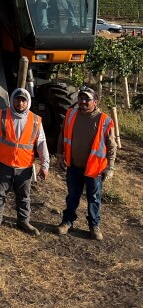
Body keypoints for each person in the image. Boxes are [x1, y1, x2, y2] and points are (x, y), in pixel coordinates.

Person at [55, 87, 117, 240]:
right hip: (74, 165)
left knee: (94, 198)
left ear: (95, 102)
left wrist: (110, 166)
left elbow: (111, 145)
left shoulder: (104, 120)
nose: (82, 101)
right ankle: (67, 222)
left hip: (95, 169)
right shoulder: (71, 114)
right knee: (72, 196)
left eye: (87, 99)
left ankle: (94, 225)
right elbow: (63, 135)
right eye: (81, 98)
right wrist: (59, 154)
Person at [0, 87, 49, 236]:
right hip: (3, 164)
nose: (20, 103)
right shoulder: (0, 116)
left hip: (24, 166)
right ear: (12, 100)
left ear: (28, 102)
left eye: (23, 100)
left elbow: (41, 144)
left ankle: (24, 221)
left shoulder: (35, 120)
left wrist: (44, 166)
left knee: (24, 196)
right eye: (17, 99)